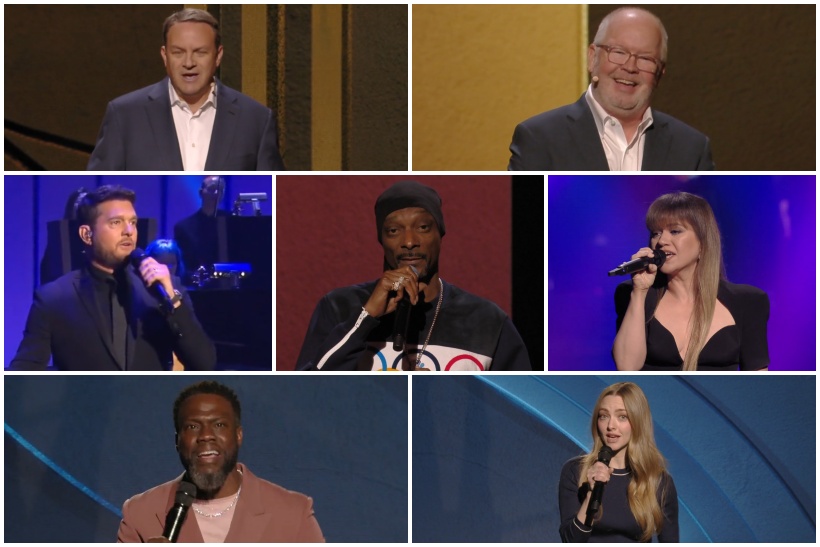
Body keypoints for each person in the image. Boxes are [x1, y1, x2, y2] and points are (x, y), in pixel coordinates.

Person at [296, 180, 532, 371]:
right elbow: (304, 393)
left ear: (440, 234)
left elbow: (518, 411)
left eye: (422, 228)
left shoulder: (486, 321)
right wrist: (366, 317)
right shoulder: (339, 307)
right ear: (382, 239)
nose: (409, 242)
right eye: (394, 231)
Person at [9, 185, 216, 371]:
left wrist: (172, 301)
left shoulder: (164, 289)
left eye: (133, 222)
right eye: (116, 222)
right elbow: (25, 373)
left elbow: (204, 363)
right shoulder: (53, 298)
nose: (129, 231)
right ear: (87, 235)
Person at [508, 7, 714, 171]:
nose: (630, 67)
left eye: (645, 59)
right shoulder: (539, 138)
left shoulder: (691, 148)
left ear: (660, 73)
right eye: (618, 52)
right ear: (592, 58)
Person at [117, 381, 324, 542]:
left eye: (219, 425)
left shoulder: (293, 513)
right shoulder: (140, 513)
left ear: (239, 435)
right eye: (192, 427)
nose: (206, 435)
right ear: (177, 441)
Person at [87, 8, 284, 171]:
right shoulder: (125, 115)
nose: (188, 63)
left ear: (218, 55)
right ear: (165, 56)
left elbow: (276, 199)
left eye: (200, 52)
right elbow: (98, 195)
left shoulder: (255, 120)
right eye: (178, 52)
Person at [612, 192, 769, 371]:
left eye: (675, 231)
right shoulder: (632, 293)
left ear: (703, 242)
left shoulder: (748, 300)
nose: (661, 241)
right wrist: (639, 292)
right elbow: (626, 367)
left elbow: (758, 376)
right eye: (656, 233)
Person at [558, 382, 678, 542]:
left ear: (638, 422)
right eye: (604, 416)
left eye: (622, 417)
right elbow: (570, 540)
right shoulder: (576, 471)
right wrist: (590, 496)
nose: (610, 426)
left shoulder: (658, 482)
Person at [174, 176, 228, 281]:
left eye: (220, 189)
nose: (217, 193)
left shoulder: (231, 221)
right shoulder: (183, 227)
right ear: (201, 192)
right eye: (212, 188)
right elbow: (182, 265)